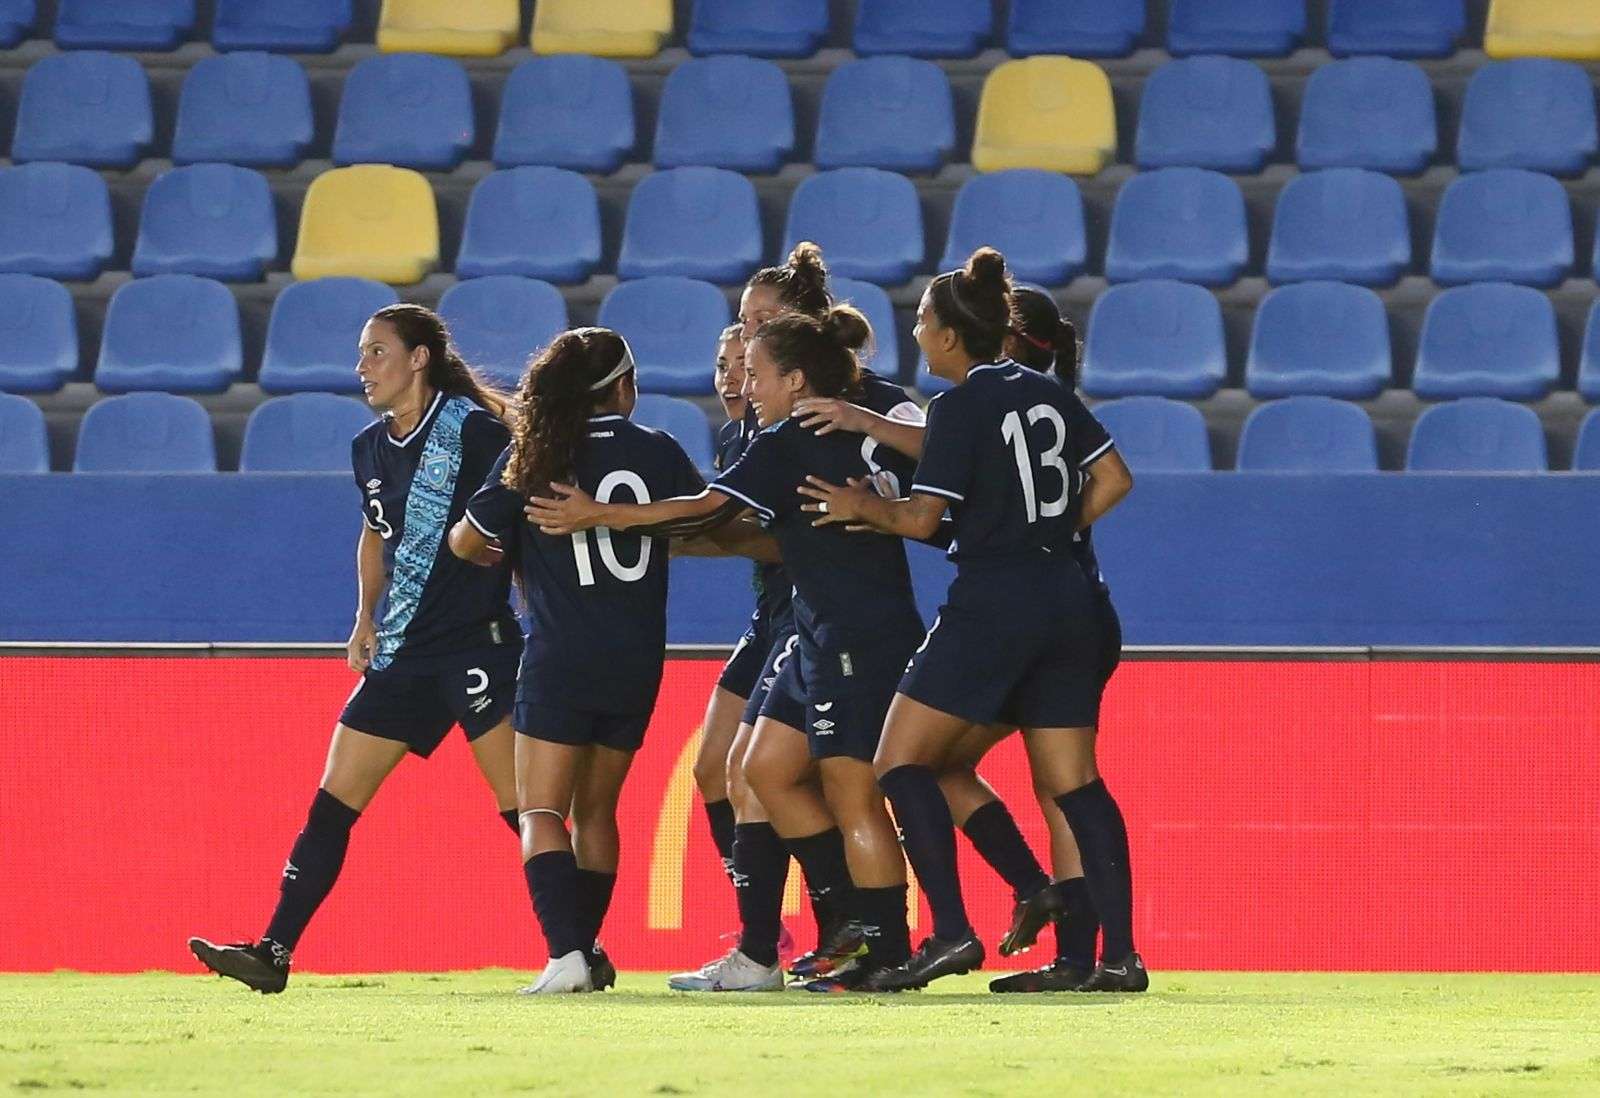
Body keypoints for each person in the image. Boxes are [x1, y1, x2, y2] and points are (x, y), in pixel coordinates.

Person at [529, 306, 925, 992]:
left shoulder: (786, 436)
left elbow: (707, 508)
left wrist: (603, 516)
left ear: (795, 379)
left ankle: (884, 946)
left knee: (852, 791)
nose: (747, 385)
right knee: (762, 768)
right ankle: (845, 928)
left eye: (758, 373)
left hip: (854, 630)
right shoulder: (849, 426)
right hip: (830, 626)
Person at [798, 248, 1145, 992]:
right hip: (1070, 599)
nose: (917, 334)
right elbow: (1115, 477)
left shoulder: (958, 405)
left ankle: (951, 932)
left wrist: (864, 506)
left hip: (994, 603)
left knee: (899, 761)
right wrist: (1045, 532)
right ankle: (1110, 957)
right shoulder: (1048, 397)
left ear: (952, 336)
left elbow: (924, 519)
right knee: (1074, 784)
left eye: (922, 322)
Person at [188, 304, 522, 994]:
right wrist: (364, 617)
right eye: (362, 353)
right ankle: (273, 951)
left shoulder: (478, 431)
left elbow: (522, 507)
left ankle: (581, 948)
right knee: (332, 805)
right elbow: (375, 534)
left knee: (525, 810)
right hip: (402, 652)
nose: (362, 367)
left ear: (419, 358)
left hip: (476, 648)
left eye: (376, 353)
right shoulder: (367, 448)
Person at [450, 327, 762, 995]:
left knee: (540, 812)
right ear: (622, 387)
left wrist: (497, 547)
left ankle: (567, 952)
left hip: (562, 654)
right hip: (636, 657)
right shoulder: (658, 450)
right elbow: (702, 527)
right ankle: (585, 954)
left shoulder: (533, 454)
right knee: (598, 812)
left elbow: (466, 539)